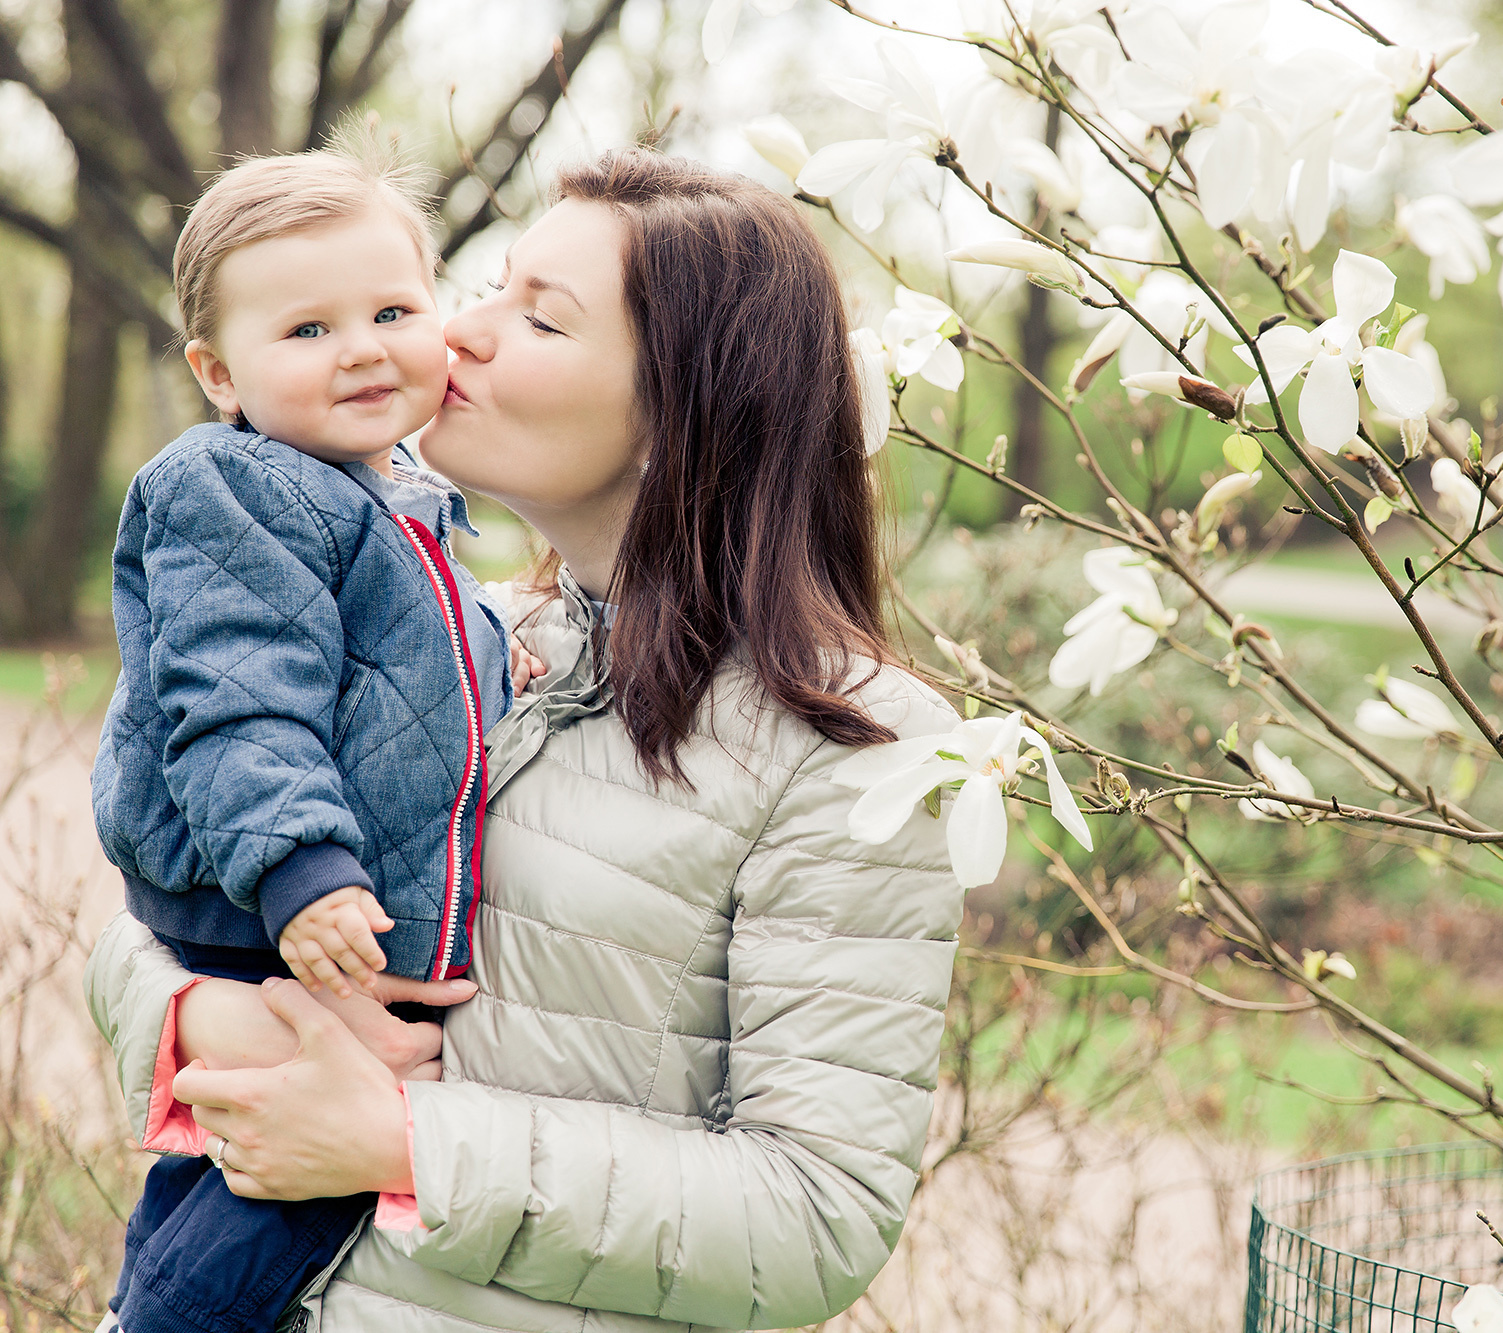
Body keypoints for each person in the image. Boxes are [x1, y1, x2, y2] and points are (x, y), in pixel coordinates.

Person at [87, 148, 968, 1332]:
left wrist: (400, 1143)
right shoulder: (472, 640)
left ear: (688, 408)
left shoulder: (856, 750)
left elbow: (812, 1215)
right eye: (489, 287)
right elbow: (170, 892)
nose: (461, 332)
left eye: (539, 320)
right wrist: (209, 1020)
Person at [89, 143, 543, 1333]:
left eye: (393, 310)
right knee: (290, 1182)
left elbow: (403, 682)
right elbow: (238, 699)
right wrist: (302, 873)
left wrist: (511, 663)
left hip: (313, 918)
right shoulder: (233, 488)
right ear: (217, 372)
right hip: (274, 910)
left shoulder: (393, 498)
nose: (360, 346)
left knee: (228, 1165)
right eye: (305, 330)